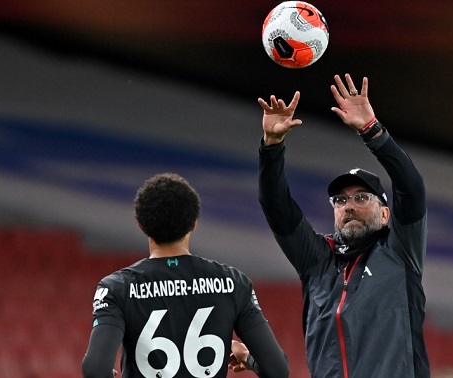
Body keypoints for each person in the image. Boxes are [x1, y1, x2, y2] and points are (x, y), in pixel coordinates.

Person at [257, 73, 429, 377]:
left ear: (386, 214)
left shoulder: (400, 252)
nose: (348, 206)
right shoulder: (317, 260)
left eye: (362, 197)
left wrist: (372, 131)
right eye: (340, 200)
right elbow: (276, 207)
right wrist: (272, 147)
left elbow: (411, 188)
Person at [81, 173, 289, 378]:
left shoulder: (117, 288)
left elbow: (96, 369)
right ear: (193, 224)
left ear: (141, 226)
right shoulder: (233, 283)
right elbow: (277, 370)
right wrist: (247, 358)